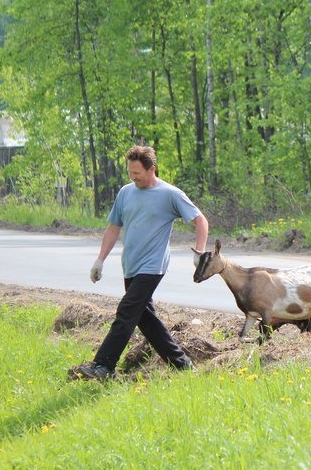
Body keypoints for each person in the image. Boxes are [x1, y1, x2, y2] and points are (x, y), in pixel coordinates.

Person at [69, 145, 209, 380]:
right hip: (131, 265)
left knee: (126, 311)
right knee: (145, 319)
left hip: (153, 266)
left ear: (151, 169)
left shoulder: (170, 194)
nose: (133, 178)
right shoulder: (126, 192)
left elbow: (200, 221)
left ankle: (104, 365)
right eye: (130, 173)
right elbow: (114, 227)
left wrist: (200, 252)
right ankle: (182, 364)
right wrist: (99, 260)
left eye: (137, 173)